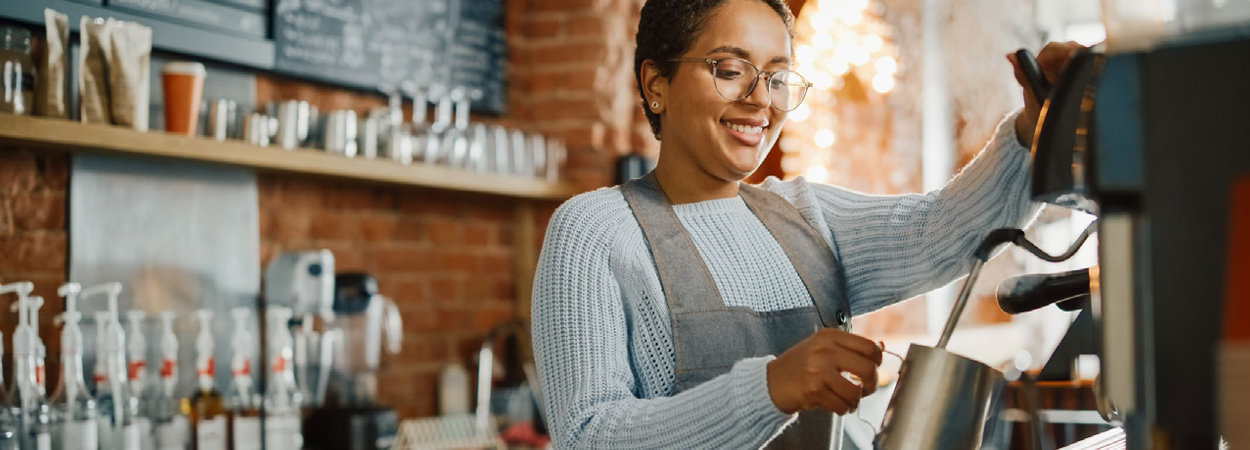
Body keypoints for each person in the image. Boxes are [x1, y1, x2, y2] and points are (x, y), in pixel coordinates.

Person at [531, 0, 1082, 447]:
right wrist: (770, 388)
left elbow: (944, 230)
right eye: (729, 70)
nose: (760, 101)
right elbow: (588, 436)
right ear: (656, 83)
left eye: (776, 78)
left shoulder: (805, 215)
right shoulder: (595, 231)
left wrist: (1032, 130)